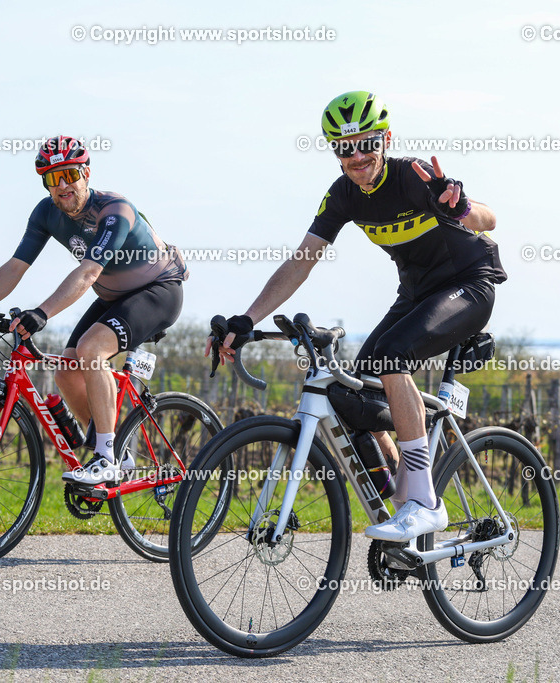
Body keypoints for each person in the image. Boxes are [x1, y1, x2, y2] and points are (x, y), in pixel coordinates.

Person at [208, 91, 506, 542]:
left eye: (366, 143)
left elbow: (489, 218)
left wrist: (459, 206)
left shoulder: (413, 178)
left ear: (385, 139)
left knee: (390, 356)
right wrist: (247, 319)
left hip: (470, 283)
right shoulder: (344, 195)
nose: (357, 156)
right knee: (353, 396)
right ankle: (400, 492)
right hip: (418, 295)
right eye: (344, 148)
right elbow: (301, 260)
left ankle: (423, 501)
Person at [0, 135, 188, 485]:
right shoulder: (46, 213)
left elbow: (88, 272)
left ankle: (106, 459)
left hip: (158, 291)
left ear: (86, 173)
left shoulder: (114, 211)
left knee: (92, 350)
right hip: (113, 298)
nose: (63, 186)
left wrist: (42, 313)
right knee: (67, 369)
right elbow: (15, 266)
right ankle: (116, 450)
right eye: (52, 179)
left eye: (70, 174)